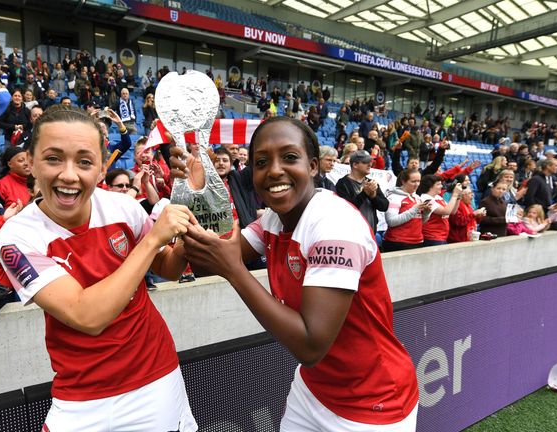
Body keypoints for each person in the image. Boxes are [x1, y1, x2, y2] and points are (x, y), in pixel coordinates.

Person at [176, 117, 419, 431]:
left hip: (373, 403)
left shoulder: (334, 225)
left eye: (290, 157)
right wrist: (195, 194)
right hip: (314, 390)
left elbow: (310, 347)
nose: (274, 170)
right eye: (262, 162)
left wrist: (235, 272)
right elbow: (210, 259)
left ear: (314, 166)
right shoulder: (274, 220)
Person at [0, 108, 198, 431]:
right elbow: (86, 316)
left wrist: (189, 221)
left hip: (155, 379)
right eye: (54, 159)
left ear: (102, 168)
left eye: (85, 162)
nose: (69, 175)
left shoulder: (125, 209)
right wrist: (153, 239)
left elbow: (169, 267)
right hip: (80, 397)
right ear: (30, 162)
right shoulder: (14, 238)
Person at [334, 150, 388, 234]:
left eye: (370, 162)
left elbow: (384, 206)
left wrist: (373, 197)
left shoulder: (371, 183)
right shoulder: (342, 183)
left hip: (371, 233)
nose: (370, 164)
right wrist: (365, 193)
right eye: (365, 162)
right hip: (352, 234)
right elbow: (347, 209)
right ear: (355, 165)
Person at [383, 168, 431, 252]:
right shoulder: (394, 197)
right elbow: (391, 221)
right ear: (403, 181)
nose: (417, 184)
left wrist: (426, 213)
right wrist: (414, 209)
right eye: (413, 181)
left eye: (418, 181)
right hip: (398, 242)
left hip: (417, 241)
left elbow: (420, 222)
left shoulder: (417, 197)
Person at [416, 175, 462, 246]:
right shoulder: (426, 198)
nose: (441, 186)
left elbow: (452, 211)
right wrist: (455, 195)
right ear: (430, 186)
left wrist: (458, 197)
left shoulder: (438, 197)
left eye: (441, 184)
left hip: (442, 237)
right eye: (438, 184)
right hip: (432, 238)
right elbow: (446, 211)